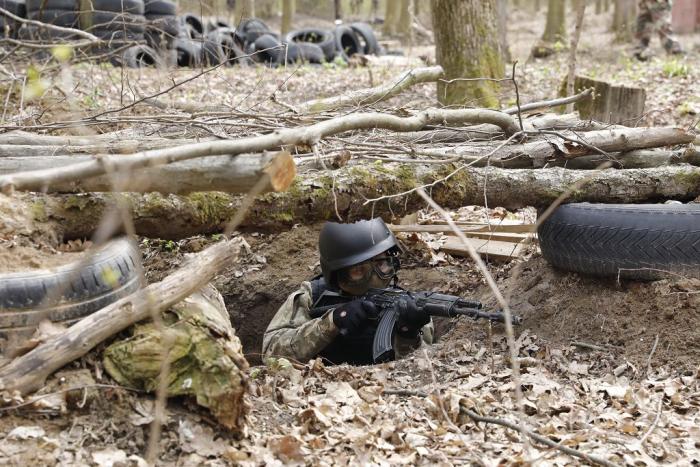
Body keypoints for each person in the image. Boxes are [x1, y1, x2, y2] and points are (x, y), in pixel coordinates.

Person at [262, 218, 434, 365]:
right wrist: (331, 322)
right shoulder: (312, 297)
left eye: (382, 264)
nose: (376, 277)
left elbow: (422, 367)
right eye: (359, 270)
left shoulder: (408, 305)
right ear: (338, 273)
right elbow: (270, 354)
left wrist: (408, 333)